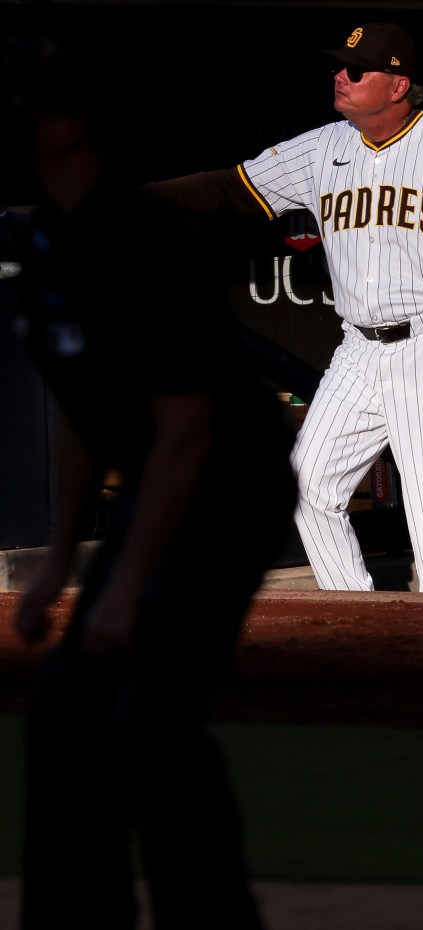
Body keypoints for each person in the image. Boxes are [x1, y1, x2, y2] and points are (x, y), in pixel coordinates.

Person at [10, 39, 297, 930]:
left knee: (150, 718)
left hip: (228, 487)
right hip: (168, 484)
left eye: (32, 105)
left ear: (70, 127)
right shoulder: (48, 243)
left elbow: (188, 429)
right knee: (64, 706)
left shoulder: (139, 242)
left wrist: (122, 589)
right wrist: (60, 563)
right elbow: (80, 407)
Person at [145, 20, 423, 594]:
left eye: (356, 69)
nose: (340, 76)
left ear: (397, 85)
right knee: (308, 485)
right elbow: (229, 187)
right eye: (339, 66)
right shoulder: (323, 147)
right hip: (359, 349)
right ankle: (362, 619)